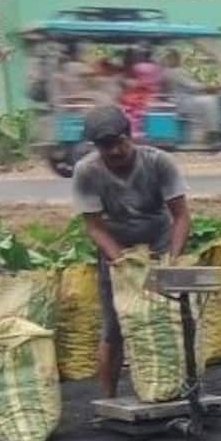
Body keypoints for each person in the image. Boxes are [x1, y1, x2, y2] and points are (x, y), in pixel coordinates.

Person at [70, 104, 191, 401]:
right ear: (96, 147)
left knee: (174, 319)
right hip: (118, 254)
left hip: (160, 246)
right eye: (105, 147)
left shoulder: (158, 162)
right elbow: (94, 226)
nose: (114, 151)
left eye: (119, 143)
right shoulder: (86, 171)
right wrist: (122, 262)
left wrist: (172, 260)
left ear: (130, 135)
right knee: (113, 328)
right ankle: (109, 400)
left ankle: (183, 389)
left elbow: (181, 216)